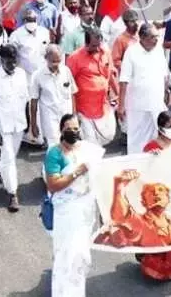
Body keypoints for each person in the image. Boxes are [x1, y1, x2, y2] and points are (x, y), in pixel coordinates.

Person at [45, 114, 105, 297]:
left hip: (85, 208)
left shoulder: (87, 150)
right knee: (67, 255)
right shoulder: (55, 154)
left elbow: (102, 175)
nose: (73, 132)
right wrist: (76, 172)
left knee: (81, 255)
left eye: (76, 129)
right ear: (61, 131)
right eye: (69, 129)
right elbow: (53, 185)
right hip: (67, 210)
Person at [133, 111, 171, 281]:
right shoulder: (151, 148)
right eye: (169, 126)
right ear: (160, 129)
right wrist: (151, 160)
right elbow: (145, 173)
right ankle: (153, 266)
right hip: (160, 199)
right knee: (159, 234)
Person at [0, 44, 30, 212]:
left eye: (15, 61)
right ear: (1, 60)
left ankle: (1, 169)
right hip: (3, 126)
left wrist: (28, 121)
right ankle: (13, 194)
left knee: (9, 157)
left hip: (19, 124)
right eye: (9, 61)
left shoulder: (22, 75)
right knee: (9, 158)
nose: (13, 65)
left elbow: (26, 100)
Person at [117, 24, 169, 154]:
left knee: (159, 136)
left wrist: (166, 92)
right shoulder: (131, 52)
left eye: (157, 37)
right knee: (136, 138)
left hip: (156, 102)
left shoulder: (158, 50)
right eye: (153, 37)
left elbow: (164, 74)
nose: (156, 40)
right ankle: (135, 163)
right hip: (137, 105)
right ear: (143, 37)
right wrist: (121, 105)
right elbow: (124, 80)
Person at [67, 28, 117, 146]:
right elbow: (69, 85)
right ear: (86, 43)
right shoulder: (74, 58)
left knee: (109, 135)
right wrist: (73, 112)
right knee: (90, 143)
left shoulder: (105, 53)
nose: (97, 48)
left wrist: (117, 94)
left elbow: (110, 75)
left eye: (99, 44)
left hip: (103, 106)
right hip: (84, 109)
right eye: (94, 46)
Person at [30, 45, 77, 147]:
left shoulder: (66, 71)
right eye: (53, 61)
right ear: (46, 58)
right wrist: (33, 124)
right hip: (49, 118)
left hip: (66, 116)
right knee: (54, 146)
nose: (56, 64)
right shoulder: (37, 75)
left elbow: (72, 93)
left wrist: (74, 116)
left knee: (69, 146)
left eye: (58, 61)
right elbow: (33, 101)